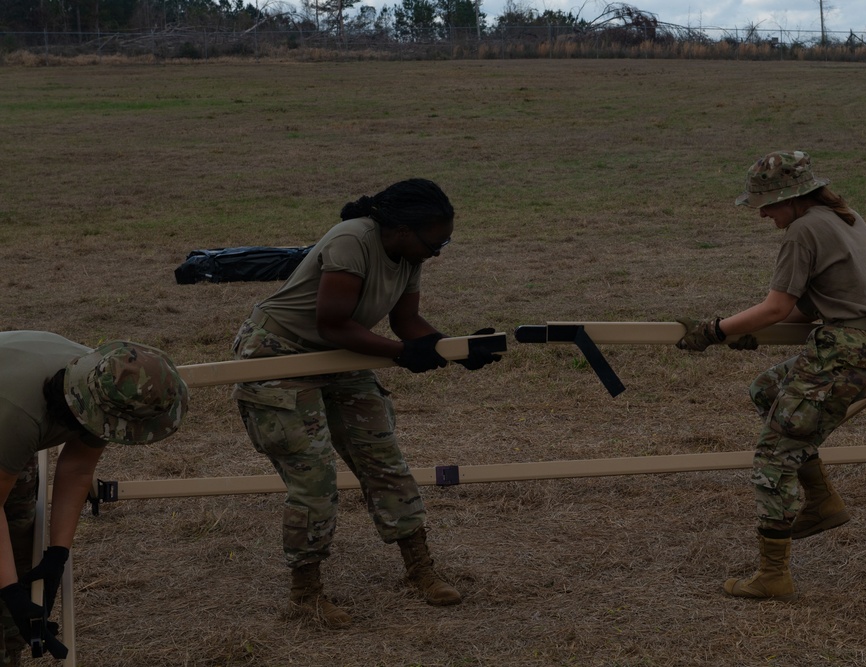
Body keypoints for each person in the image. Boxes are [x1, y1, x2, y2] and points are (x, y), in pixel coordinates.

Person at [232, 178, 499, 629]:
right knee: (313, 477)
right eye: (435, 241)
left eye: (444, 241)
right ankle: (306, 593)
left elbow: (407, 320)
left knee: (383, 459)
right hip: (279, 353)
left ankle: (421, 569)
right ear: (399, 229)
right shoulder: (352, 240)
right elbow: (333, 322)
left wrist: (453, 350)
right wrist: (400, 353)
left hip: (343, 353)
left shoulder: (409, 253)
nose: (438, 251)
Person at [676, 151, 866, 600]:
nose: (762, 213)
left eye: (767, 203)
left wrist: (714, 331)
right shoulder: (845, 217)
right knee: (766, 392)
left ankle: (773, 575)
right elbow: (811, 307)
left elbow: (778, 306)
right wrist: (751, 331)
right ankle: (822, 502)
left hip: (844, 354)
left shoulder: (803, 231)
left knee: (773, 457)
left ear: (793, 197)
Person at [0, 331, 189, 664]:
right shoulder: (19, 415)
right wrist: (11, 592)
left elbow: (75, 470)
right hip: (9, 413)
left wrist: (57, 554)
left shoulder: (103, 387)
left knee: (16, 542)